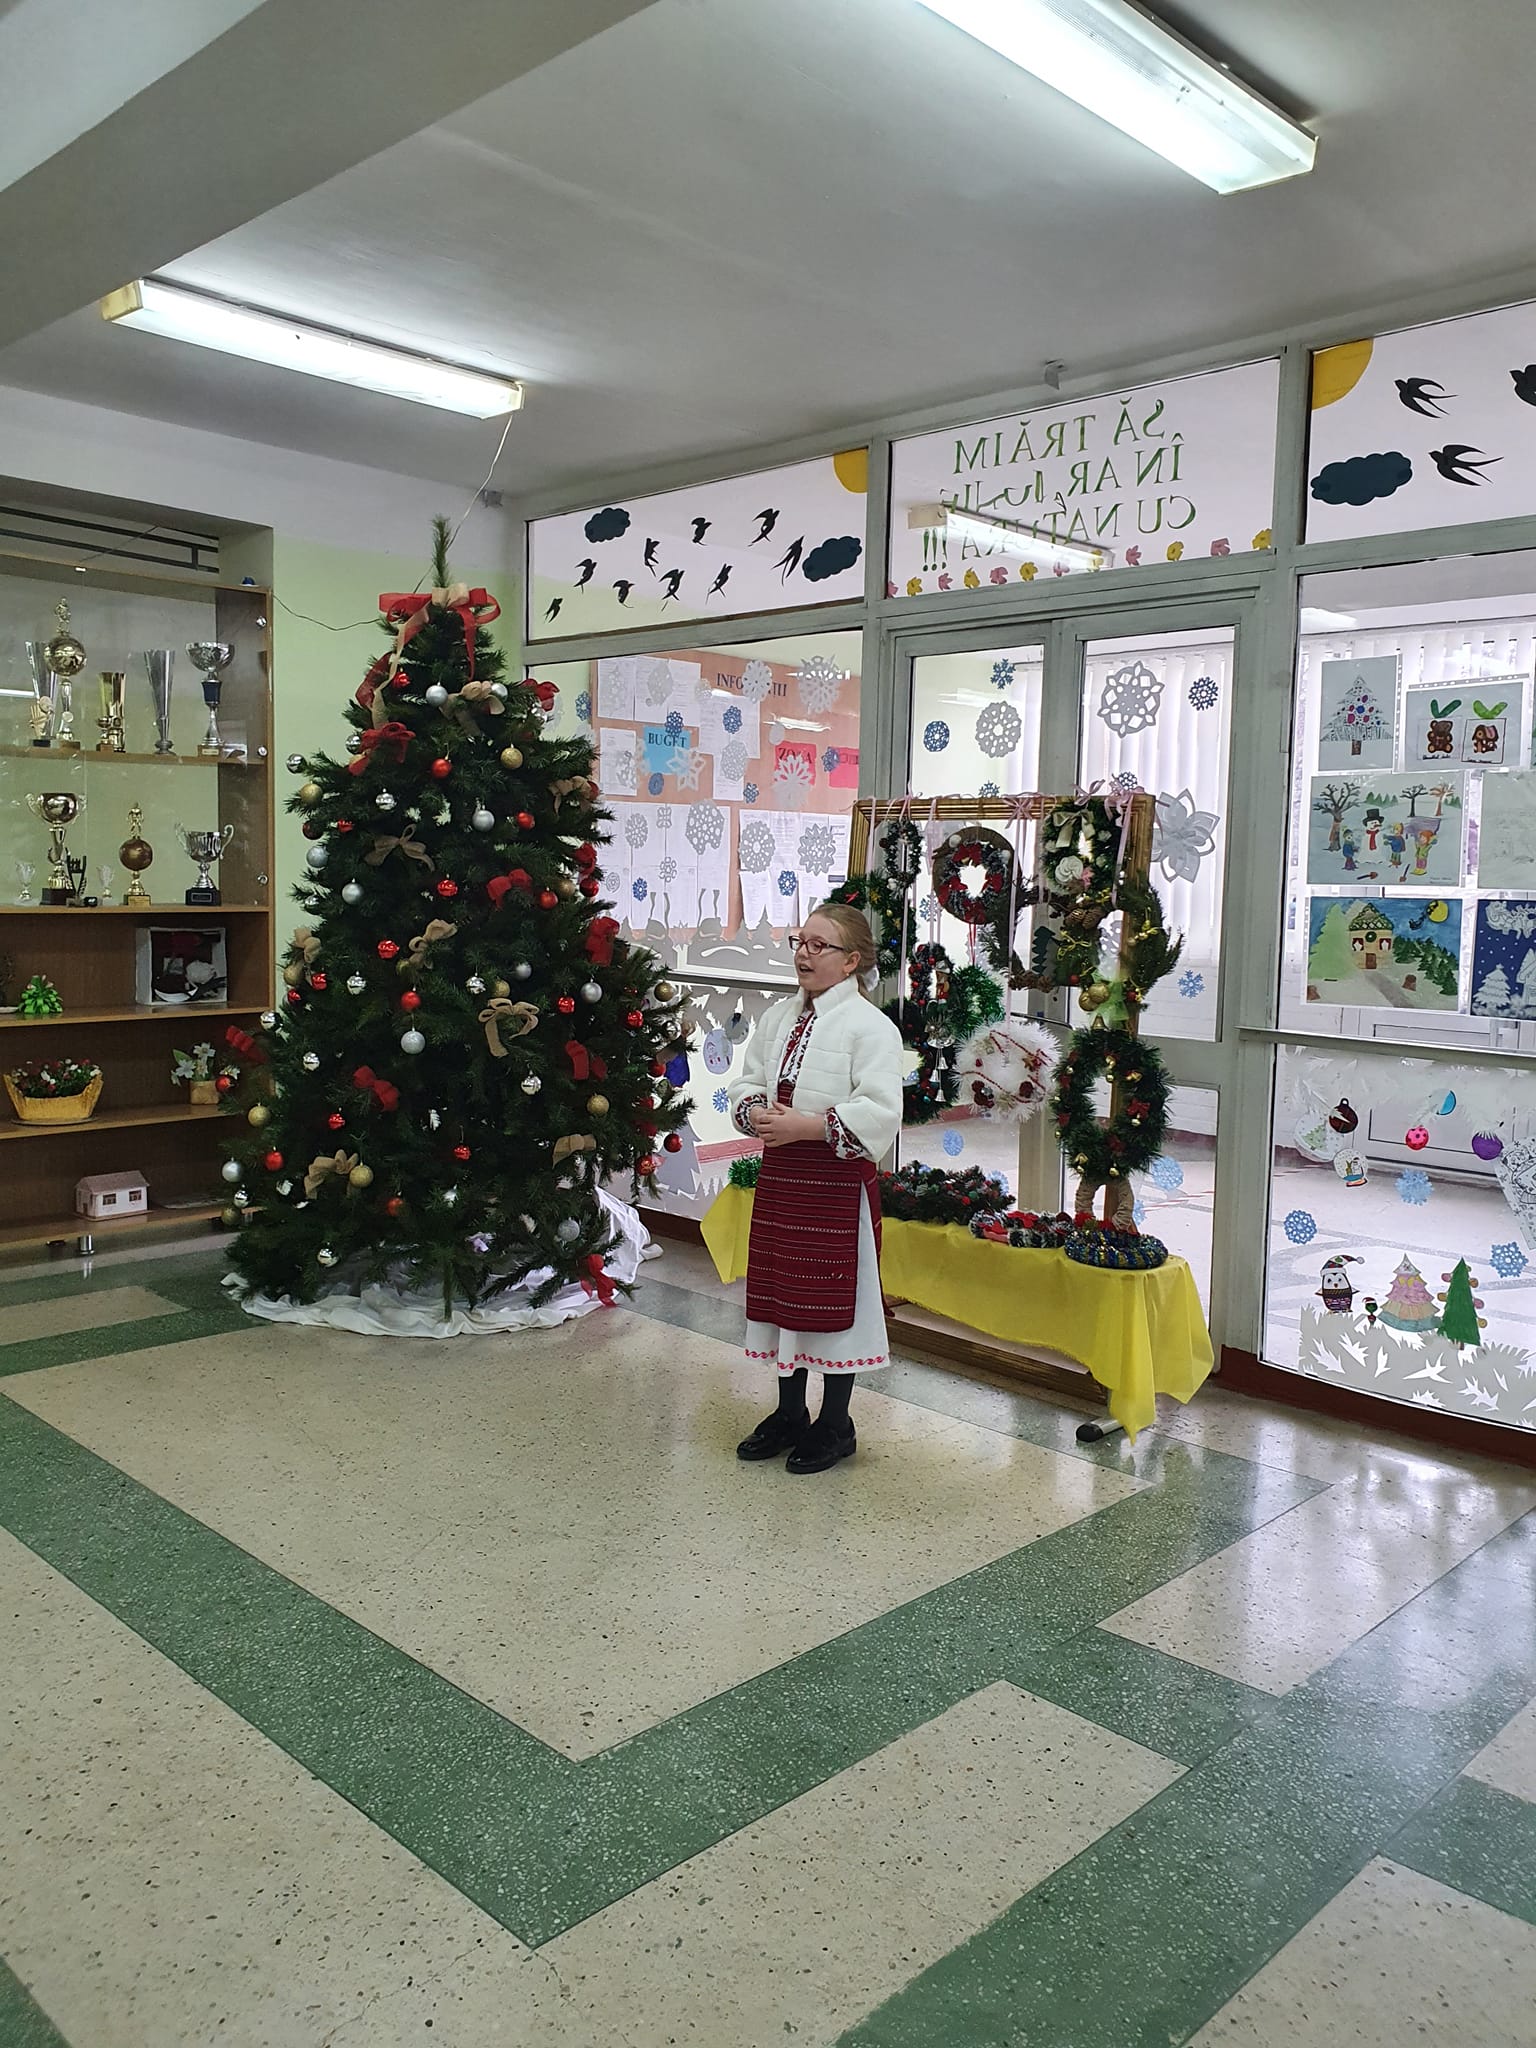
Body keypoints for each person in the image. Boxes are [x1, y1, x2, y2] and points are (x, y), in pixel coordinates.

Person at [728, 901, 905, 1473]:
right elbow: (749, 1081)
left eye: (818, 945)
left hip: (834, 1189)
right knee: (786, 1297)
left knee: (833, 1304)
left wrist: (808, 1126)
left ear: (851, 961)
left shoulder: (871, 1028)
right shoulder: (779, 1017)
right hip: (783, 1184)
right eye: (799, 942)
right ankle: (789, 1413)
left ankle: (835, 1424)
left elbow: (880, 1111)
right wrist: (754, 1111)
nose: (804, 954)